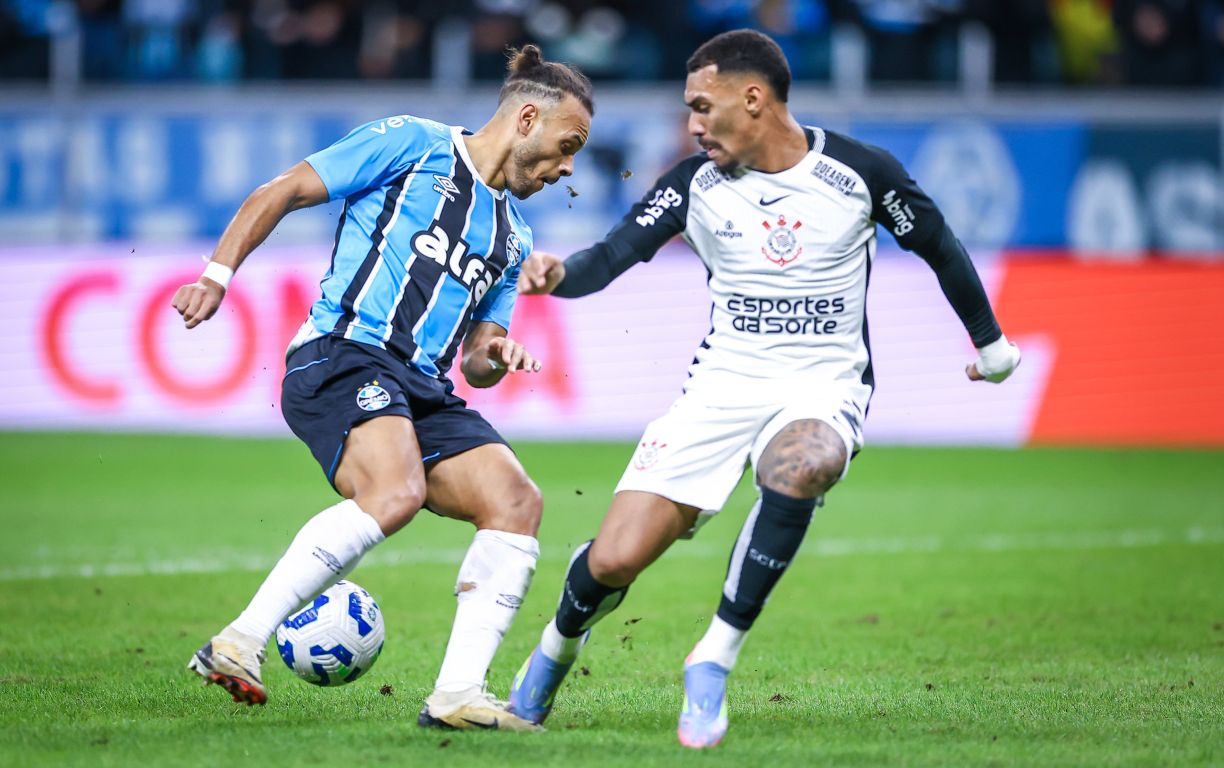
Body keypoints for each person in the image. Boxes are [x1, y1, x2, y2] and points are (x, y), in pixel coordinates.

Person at [506, 29, 1021, 748]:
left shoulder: (860, 172)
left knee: (800, 467)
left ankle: (712, 656)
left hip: (823, 386)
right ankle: (555, 649)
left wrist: (991, 344)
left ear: (753, 99)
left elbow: (939, 245)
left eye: (700, 105)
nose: (690, 123)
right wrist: (560, 276)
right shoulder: (693, 185)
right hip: (719, 390)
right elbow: (614, 254)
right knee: (616, 559)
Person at [171, 44, 593, 732]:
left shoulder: (513, 236)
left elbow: (476, 360)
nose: (569, 166)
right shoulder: (412, 145)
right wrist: (216, 277)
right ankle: (237, 643)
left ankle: (458, 694)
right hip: (342, 354)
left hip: (422, 387)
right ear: (525, 119)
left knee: (516, 500)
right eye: (566, 145)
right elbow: (279, 191)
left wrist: (499, 352)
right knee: (395, 492)